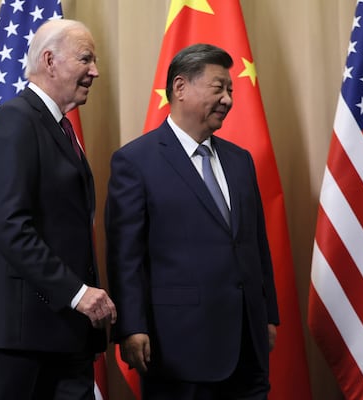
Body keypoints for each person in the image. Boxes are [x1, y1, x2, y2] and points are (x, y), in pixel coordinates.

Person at [105, 43, 279, 399]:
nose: (228, 99)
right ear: (180, 88)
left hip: (248, 344)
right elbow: (126, 256)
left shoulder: (240, 161)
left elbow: (256, 244)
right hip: (179, 348)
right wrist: (131, 326)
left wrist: (268, 314)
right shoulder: (135, 161)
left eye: (231, 90)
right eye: (219, 88)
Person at [0, 19, 117, 400]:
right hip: (20, 336)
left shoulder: (56, 127)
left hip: (65, 335)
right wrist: (78, 293)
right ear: (50, 60)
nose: (95, 71)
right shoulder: (15, 121)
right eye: (85, 59)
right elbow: (7, 226)